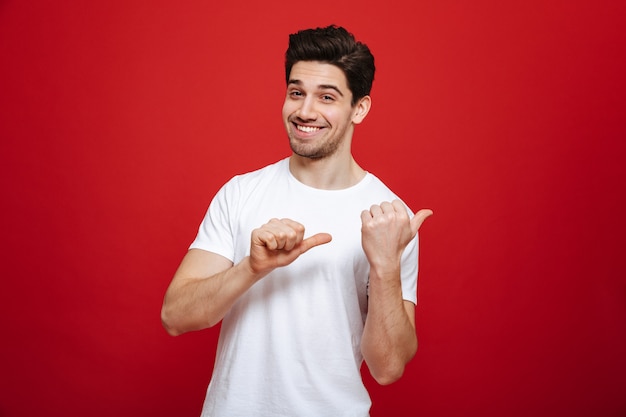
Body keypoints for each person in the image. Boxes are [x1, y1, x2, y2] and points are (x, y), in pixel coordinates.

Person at [161, 25, 433, 417]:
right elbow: (174, 317)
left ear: (360, 108)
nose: (305, 111)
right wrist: (251, 268)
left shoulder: (390, 218)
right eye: (296, 92)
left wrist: (385, 266)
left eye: (326, 97)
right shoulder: (240, 193)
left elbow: (387, 368)